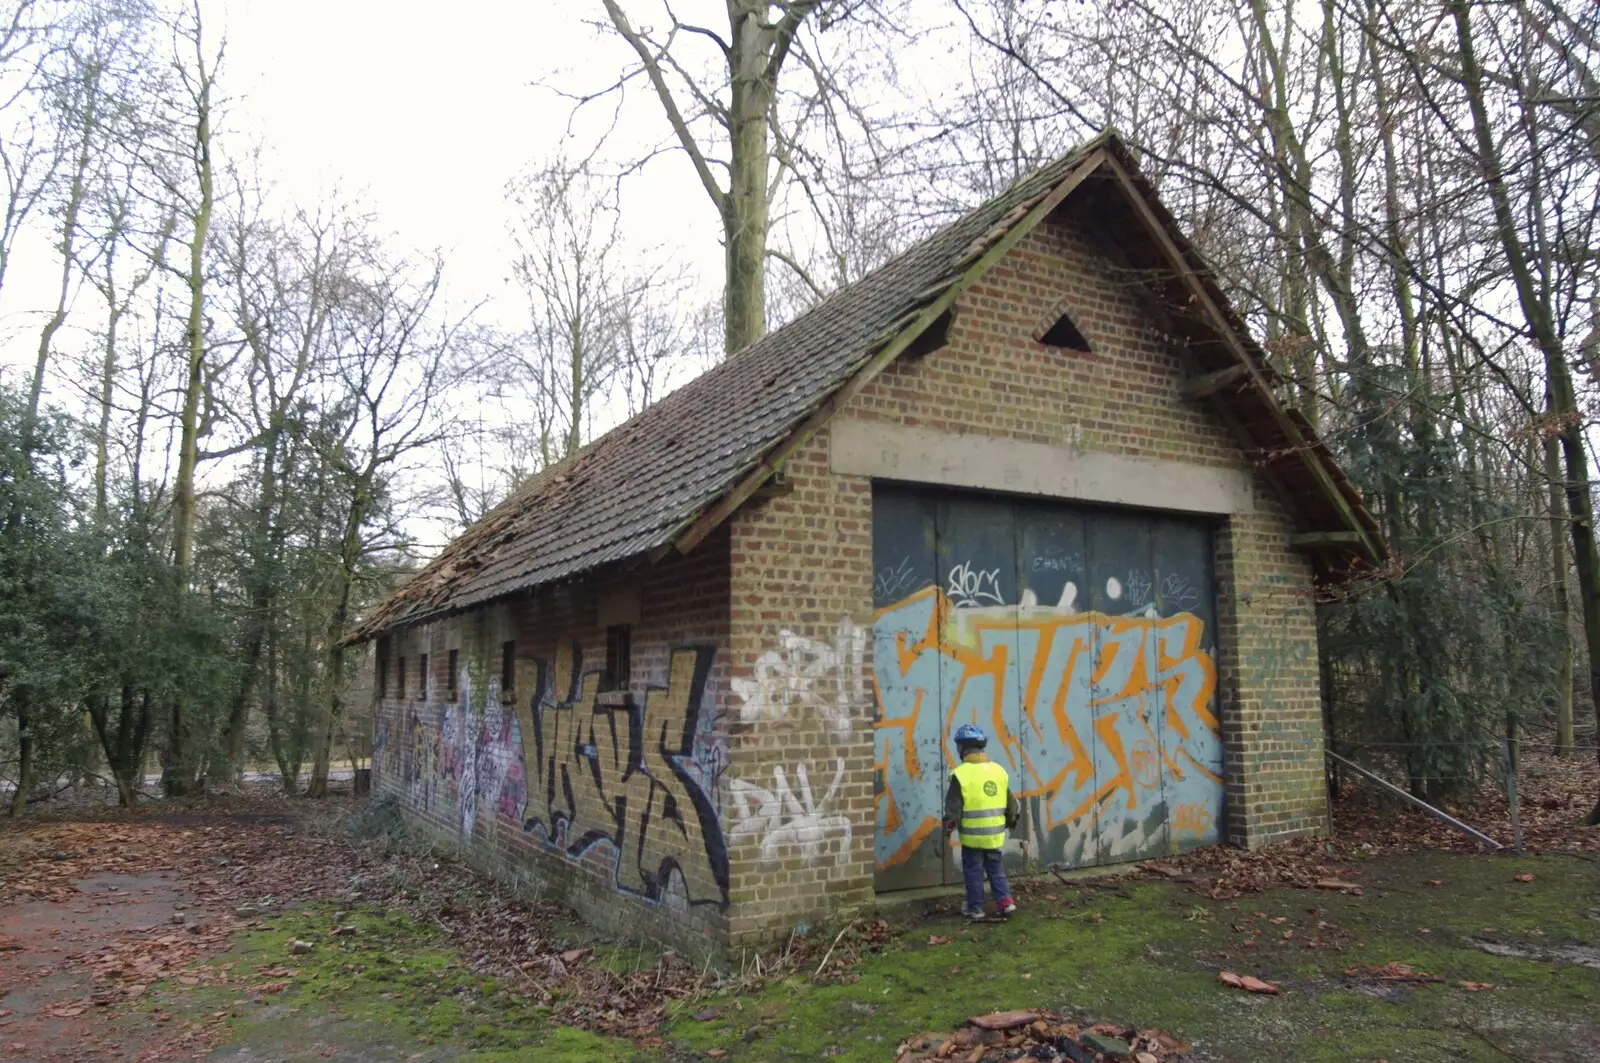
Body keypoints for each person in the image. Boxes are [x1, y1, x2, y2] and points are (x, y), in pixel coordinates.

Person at [943, 723, 1019, 920]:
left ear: (961, 749)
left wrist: (947, 828)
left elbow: (953, 809)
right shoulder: (998, 771)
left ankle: (976, 907)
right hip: (994, 835)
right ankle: (1005, 902)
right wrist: (1011, 820)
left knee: (974, 872)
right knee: (996, 868)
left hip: (973, 838)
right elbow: (1010, 803)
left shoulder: (961, 775)